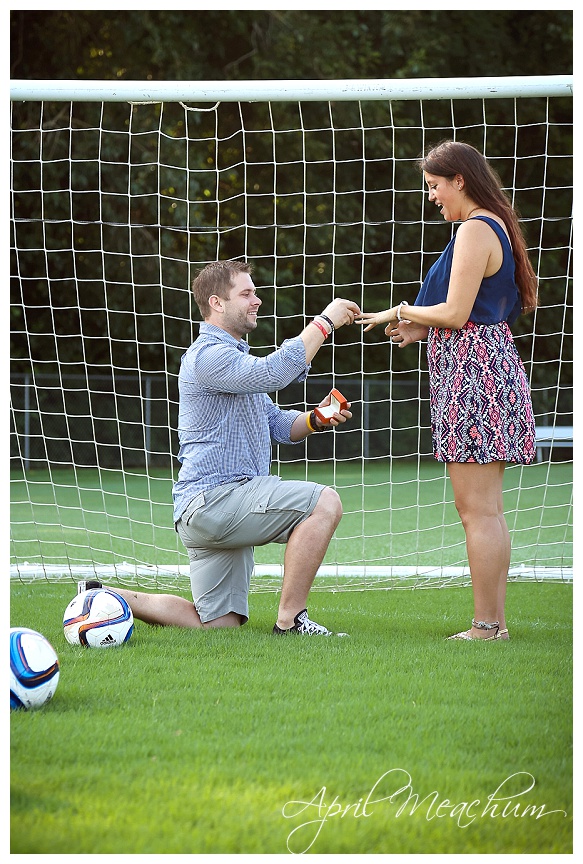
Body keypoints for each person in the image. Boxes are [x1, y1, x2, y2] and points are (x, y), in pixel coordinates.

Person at [80, 260, 361, 636]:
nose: (256, 300)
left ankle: (105, 596)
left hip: (207, 511)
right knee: (325, 503)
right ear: (216, 302)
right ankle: (291, 622)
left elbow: (278, 425)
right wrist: (324, 322)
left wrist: (315, 418)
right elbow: (273, 373)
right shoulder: (208, 356)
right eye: (246, 294)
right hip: (215, 501)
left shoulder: (234, 361)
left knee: (217, 625)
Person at [356, 140, 537, 641]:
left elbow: (457, 314)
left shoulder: (477, 228)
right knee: (488, 510)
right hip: (483, 365)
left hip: (474, 374)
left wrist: (401, 312)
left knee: (476, 510)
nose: (432, 196)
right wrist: (421, 328)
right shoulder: (486, 224)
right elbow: (465, 311)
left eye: (435, 186)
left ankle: (485, 626)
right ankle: (495, 624)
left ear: (460, 179)